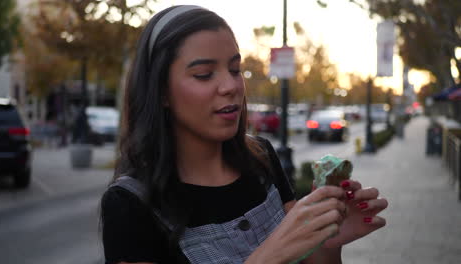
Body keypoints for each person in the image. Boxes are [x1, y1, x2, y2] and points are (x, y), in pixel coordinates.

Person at [100, 5, 388, 264]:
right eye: (204, 74)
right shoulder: (129, 205)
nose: (231, 86)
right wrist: (268, 256)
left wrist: (326, 242)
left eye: (236, 69)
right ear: (161, 91)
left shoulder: (261, 157)